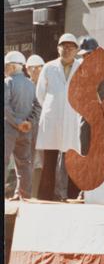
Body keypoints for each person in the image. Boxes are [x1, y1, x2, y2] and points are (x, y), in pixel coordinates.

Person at [36, 33, 82, 201]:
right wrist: (53, 106)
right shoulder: (48, 67)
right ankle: (46, 195)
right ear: (58, 48)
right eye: (64, 46)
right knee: (50, 158)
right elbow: (40, 93)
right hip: (53, 117)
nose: (67, 49)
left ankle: (73, 194)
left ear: (76, 50)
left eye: (71, 47)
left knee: (73, 157)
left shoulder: (82, 67)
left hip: (73, 116)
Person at [4, 51, 40, 200]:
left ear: (12, 67)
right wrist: (29, 123)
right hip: (26, 131)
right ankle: (24, 196)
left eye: (6, 66)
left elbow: (5, 106)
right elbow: (38, 106)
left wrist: (18, 123)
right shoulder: (31, 84)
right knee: (25, 164)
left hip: (8, 130)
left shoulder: (7, 82)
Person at [25, 54, 45, 198]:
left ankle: (36, 193)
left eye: (38, 68)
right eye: (32, 68)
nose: (35, 70)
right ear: (27, 70)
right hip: (28, 127)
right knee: (28, 160)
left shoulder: (48, 83)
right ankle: (29, 193)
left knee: (40, 160)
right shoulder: (25, 85)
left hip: (44, 128)